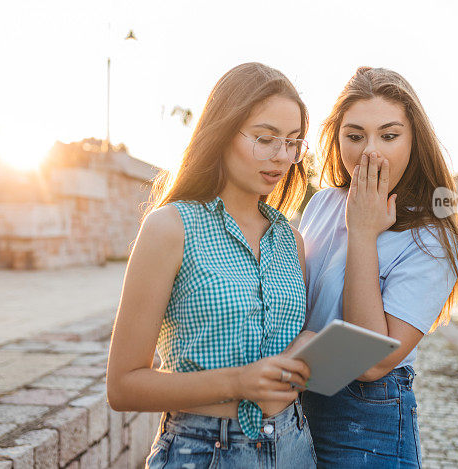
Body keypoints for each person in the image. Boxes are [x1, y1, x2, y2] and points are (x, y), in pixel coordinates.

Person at [106, 62, 317, 468]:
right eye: (265, 139)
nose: (282, 157)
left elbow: (284, 351)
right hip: (205, 451)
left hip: (294, 445)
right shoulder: (170, 228)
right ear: (222, 132)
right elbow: (123, 386)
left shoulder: (292, 240)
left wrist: (303, 349)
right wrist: (238, 382)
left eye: (293, 142)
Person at [299, 67, 458, 468]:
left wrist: (362, 233)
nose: (370, 151)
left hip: (366, 420)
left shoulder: (433, 237)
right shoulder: (322, 203)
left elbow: (371, 362)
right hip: (295, 403)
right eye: (354, 136)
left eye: (389, 136)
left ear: (414, 140)